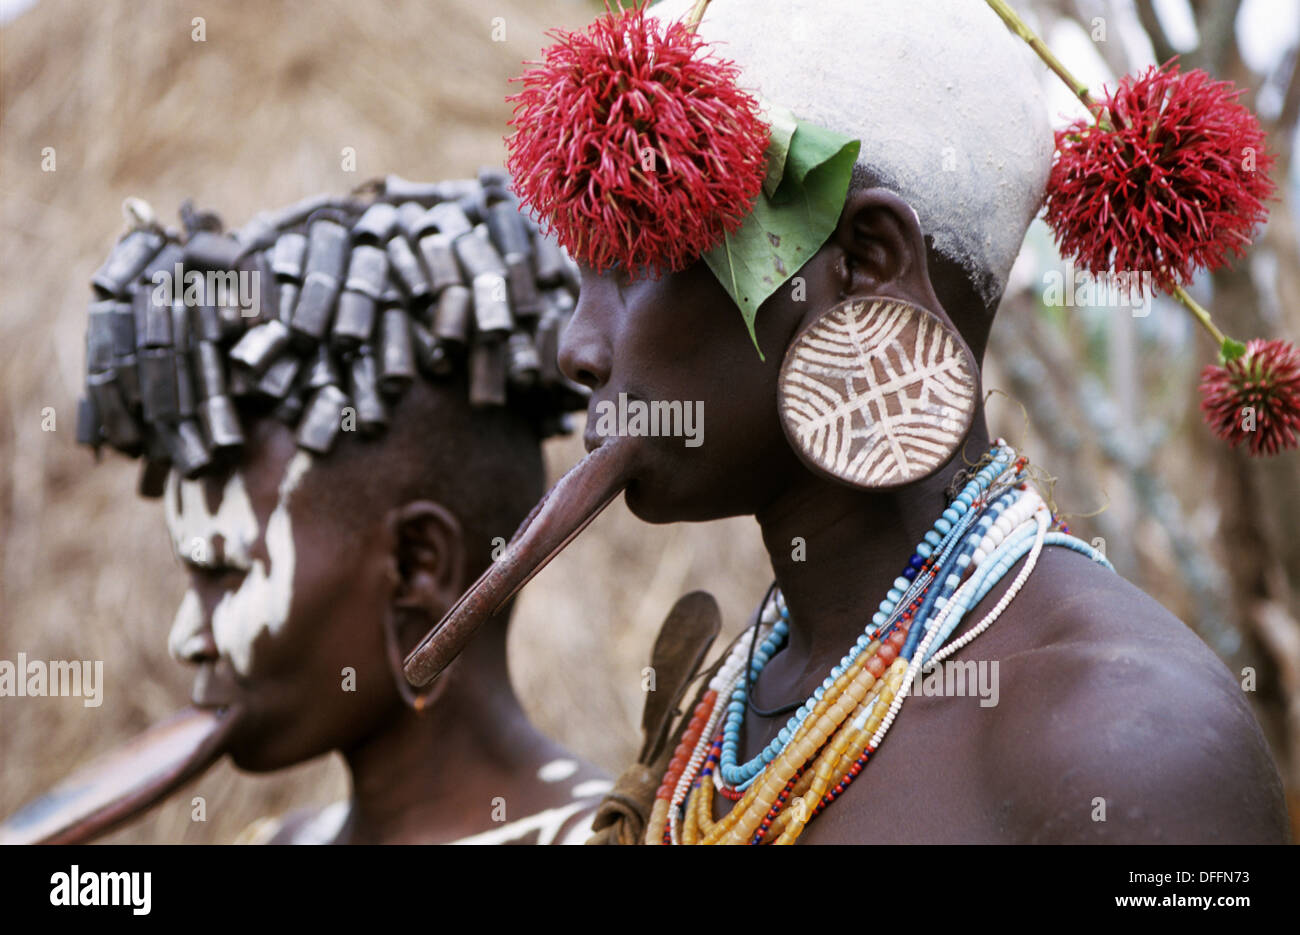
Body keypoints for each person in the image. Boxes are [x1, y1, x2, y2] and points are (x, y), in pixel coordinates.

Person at [501, 0, 1289, 843]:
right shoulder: (729, 708)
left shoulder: (1127, 743)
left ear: (866, 265)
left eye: (637, 255)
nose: (578, 349)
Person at [75, 174, 609, 844]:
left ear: (418, 567)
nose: (187, 636)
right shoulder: (274, 843)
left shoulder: (628, 837)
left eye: (228, 575)